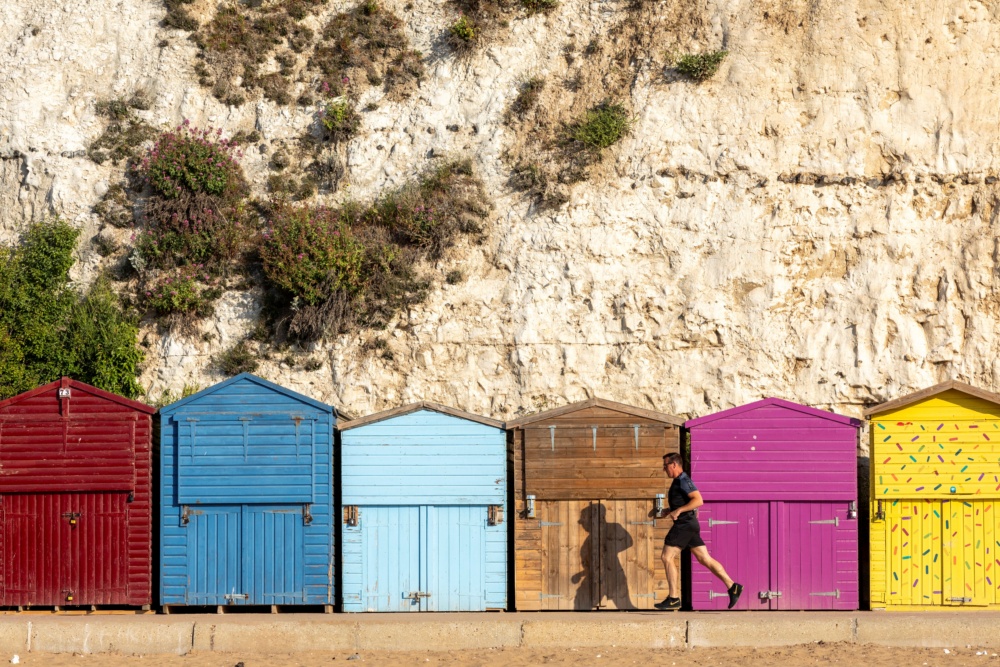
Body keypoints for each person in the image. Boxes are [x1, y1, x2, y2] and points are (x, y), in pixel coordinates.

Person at [655, 452, 742, 610]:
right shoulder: (678, 481)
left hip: (684, 525)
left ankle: (673, 598)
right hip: (689, 524)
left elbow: (698, 500)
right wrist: (671, 510)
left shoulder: (683, 480)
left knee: (666, 557)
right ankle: (732, 586)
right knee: (704, 559)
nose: (664, 469)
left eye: (665, 465)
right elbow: (686, 502)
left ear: (674, 464)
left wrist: (679, 511)